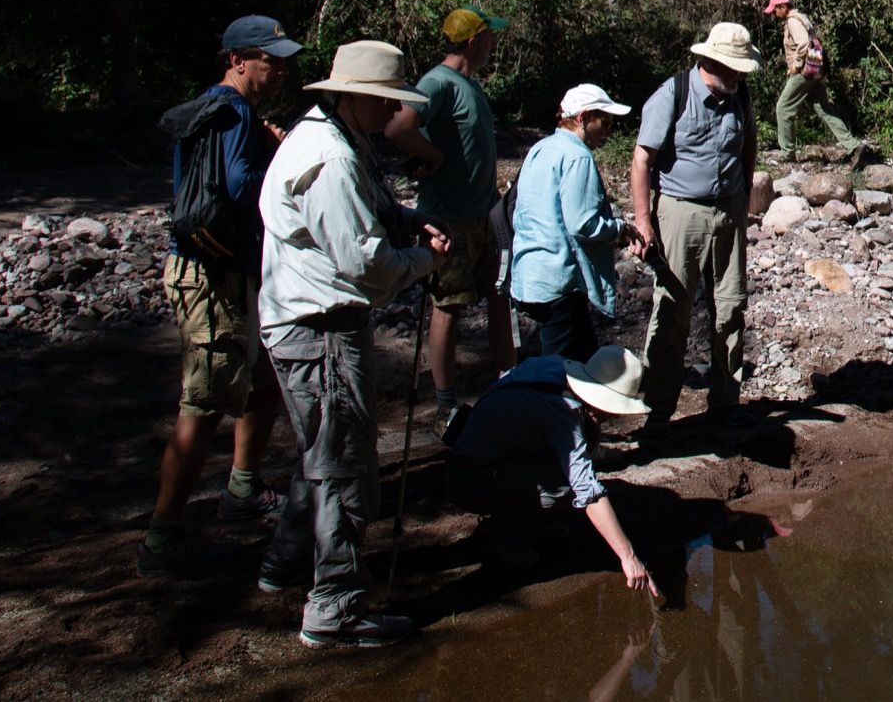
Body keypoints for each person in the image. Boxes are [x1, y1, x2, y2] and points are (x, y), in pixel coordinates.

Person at [256, 40, 453, 649]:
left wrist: (403, 219)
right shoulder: (330, 156)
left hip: (307, 320)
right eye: (387, 102)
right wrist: (421, 260)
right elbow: (363, 261)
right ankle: (334, 606)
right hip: (318, 327)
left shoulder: (331, 136)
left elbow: (365, 215)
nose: (393, 114)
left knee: (321, 450)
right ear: (360, 97)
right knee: (343, 463)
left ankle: (286, 561)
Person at [139, 16, 300, 574]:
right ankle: (161, 541)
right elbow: (237, 186)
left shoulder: (221, 108)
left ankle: (243, 490)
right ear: (236, 60)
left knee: (262, 378)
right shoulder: (232, 112)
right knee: (204, 403)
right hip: (209, 276)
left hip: (230, 269)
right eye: (269, 60)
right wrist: (278, 157)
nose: (280, 70)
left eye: (283, 61)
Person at [386, 6, 516, 428]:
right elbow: (398, 127)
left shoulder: (468, 85)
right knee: (448, 307)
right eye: (489, 38)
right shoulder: (438, 82)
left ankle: (510, 382)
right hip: (449, 218)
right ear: (474, 41)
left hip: (481, 215)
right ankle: (445, 403)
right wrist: (433, 155)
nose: (493, 45)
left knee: (499, 295)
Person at [633, 22, 761, 433]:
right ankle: (657, 409)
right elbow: (641, 161)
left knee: (730, 307)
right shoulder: (673, 94)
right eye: (734, 68)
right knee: (672, 310)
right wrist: (643, 222)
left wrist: (742, 200)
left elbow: (749, 146)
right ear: (711, 61)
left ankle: (725, 404)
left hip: (729, 211)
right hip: (680, 211)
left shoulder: (740, 94)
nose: (740, 76)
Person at [444, 344, 653, 589]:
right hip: (470, 478)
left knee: (569, 473)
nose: (615, 417)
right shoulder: (562, 411)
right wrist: (628, 557)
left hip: (488, 459)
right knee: (570, 488)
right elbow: (587, 490)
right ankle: (506, 533)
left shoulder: (558, 369)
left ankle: (534, 519)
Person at [510, 84, 639, 362]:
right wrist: (619, 229)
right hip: (559, 282)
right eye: (604, 123)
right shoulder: (578, 156)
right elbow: (583, 224)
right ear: (582, 117)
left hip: (529, 275)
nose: (608, 132)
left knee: (578, 358)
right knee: (562, 372)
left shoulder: (540, 148)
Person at [760, 0, 871, 167]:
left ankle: (787, 153)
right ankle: (853, 146)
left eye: (775, 10)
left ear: (783, 7)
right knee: (823, 108)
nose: (774, 15)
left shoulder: (793, 21)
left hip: (805, 71)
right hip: (816, 69)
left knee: (783, 107)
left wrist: (796, 66)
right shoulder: (802, 18)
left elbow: (803, 43)